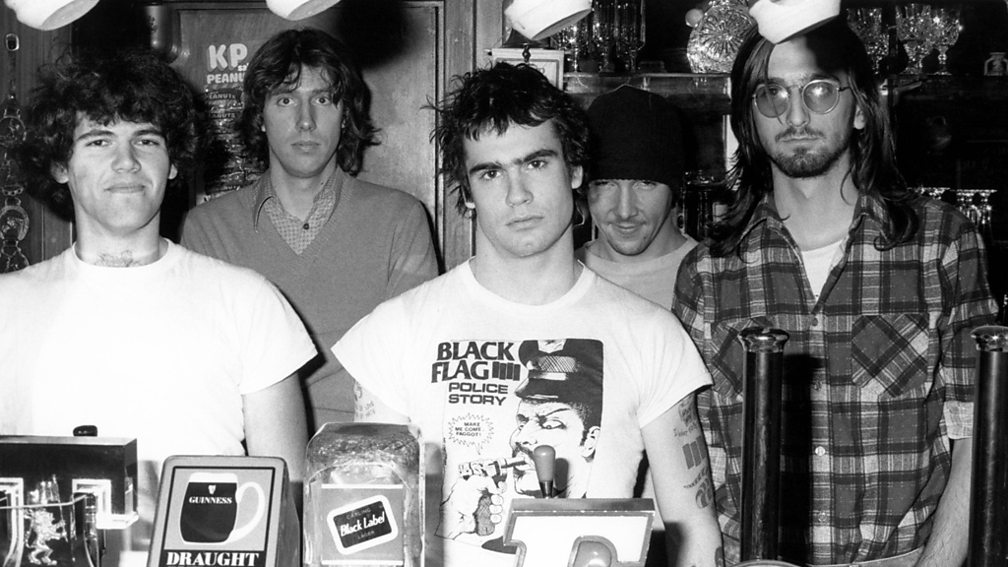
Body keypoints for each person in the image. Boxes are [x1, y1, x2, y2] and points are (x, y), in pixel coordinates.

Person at [333, 62, 723, 567]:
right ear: (467, 193)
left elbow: (696, 535)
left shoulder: (651, 334)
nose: (517, 195)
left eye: (536, 163)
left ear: (575, 170)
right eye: (491, 172)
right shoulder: (393, 332)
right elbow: (366, 544)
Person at [673, 18, 999, 567]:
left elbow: (979, 432)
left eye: (819, 90)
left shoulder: (940, 244)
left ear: (862, 108)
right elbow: (691, 461)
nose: (795, 115)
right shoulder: (708, 271)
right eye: (772, 94)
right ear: (749, 120)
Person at [0, 50, 314, 566]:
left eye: (146, 140)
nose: (126, 161)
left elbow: (286, 512)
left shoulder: (248, 300)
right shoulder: (7, 307)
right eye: (99, 140)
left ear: (174, 163)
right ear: (60, 164)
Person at [181, 28, 439, 429]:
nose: (305, 121)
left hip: (367, 444)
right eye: (286, 100)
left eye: (322, 99)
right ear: (259, 116)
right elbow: (204, 381)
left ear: (345, 115)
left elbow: (414, 369)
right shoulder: (209, 229)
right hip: (252, 449)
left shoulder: (400, 219)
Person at [576, 85, 697, 309]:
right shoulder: (557, 280)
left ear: (675, 188)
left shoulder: (719, 279)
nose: (625, 211)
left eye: (645, 184)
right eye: (605, 184)